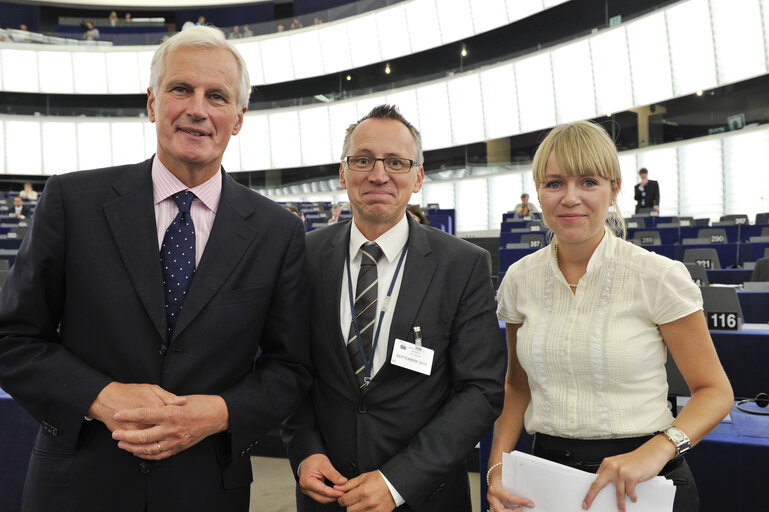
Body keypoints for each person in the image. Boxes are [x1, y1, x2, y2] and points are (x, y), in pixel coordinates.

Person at [0, 26, 311, 512]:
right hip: (77, 486)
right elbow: (13, 339)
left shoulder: (278, 232)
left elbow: (290, 370)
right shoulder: (72, 202)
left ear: (238, 118)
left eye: (217, 96)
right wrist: (100, 396)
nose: (198, 110)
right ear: (151, 103)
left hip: (205, 491)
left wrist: (219, 412)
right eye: (180, 89)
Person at [487, 121, 733, 512]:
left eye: (588, 182)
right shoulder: (520, 279)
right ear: (539, 192)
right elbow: (518, 386)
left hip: (642, 482)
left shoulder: (658, 276)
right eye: (554, 184)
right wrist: (497, 466)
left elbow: (715, 392)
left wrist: (658, 449)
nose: (570, 198)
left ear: (614, 189)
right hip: (545, 480)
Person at [282, 104, 505, 512]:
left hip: (425, 497)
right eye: (363, 160)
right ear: (343, 173)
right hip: (328, 493)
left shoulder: (463, 265)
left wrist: (398, 481)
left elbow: (480, 391)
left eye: (396, 162)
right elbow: (288, 368)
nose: (378, 174)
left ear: (418, 177)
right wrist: (305, 451)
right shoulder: (302, 256)